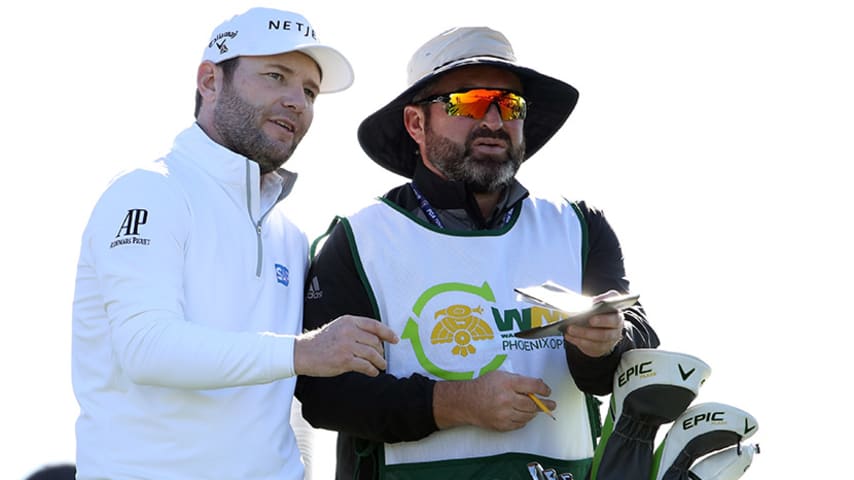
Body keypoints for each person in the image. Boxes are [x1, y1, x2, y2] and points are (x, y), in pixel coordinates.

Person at [295, 26, 660, 479]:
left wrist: (607, 342)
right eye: (468, 102)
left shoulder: (580, 226)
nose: (493, 121)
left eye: (510, 105)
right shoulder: (358, 239)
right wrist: (453, 403)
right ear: (415, 123)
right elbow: (324, 396)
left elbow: (638, 346)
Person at [71, 7, 398, 480]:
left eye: (309, 90)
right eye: (275, 75)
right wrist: (303, 351)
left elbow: (276, 404)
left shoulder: (290, 232)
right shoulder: (148, 190)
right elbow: (145, 347)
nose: (298, 102)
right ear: (209, 80)